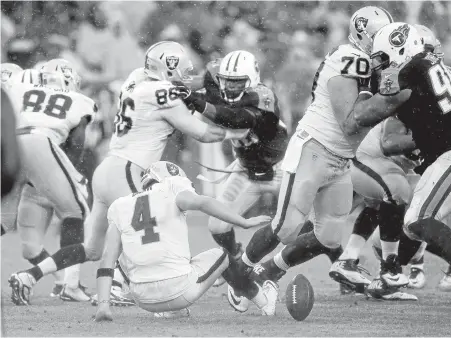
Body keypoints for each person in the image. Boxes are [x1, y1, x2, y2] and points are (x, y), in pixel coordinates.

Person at [8, 41, 250, 306]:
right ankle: (117, 286)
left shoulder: (136, 80)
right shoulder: (162, 93)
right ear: (167, 69)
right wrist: (239, 131)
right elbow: (203, 134)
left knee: (91, 248)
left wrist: (199, 86)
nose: (185, 75)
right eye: (180, 69)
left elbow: (176, 88)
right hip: (128, 170)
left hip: (108, 170)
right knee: (144, 231)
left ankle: (29, 276)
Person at [225, 7, 411, 313]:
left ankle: (269, 271)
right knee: (286, 226)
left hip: (340, 158)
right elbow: (350, 122)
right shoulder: (350, 58)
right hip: (315, 148)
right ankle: (239, 272)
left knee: (328, 235)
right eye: (382, 38)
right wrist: (397, 96)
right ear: (367, 36)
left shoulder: (371, 64)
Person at [94, 161, 275, 321]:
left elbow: (107, 260)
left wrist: (103, 306)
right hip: (179, 291)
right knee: (224, 256)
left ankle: (171, 312)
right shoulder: (171, 186)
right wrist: (242, 221)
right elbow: (202, 203)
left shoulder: (120, 205)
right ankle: (263, 300)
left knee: (125, 253)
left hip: (142, 299)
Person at [174, 50, 289, 291]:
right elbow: (197, 83)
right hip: (245, 169)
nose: (230, 87)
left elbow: (234, 118)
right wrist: (180, 84)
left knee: (298, 224)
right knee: (217, 226)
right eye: (227, 81)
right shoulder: (219, 83)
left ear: (251, 79)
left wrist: (198, 101)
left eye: (237, 83)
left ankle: (342, 259)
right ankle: (235, 259)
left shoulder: (262, 96)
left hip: (279, 169)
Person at [368, 22, 451, 297]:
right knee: (415, 225)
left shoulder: (410, 69)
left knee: (418, 220)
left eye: (382, 58)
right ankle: (390, 274)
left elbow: (378, 100)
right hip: (442, 154)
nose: (380, 65)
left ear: (400, 48)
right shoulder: (431, 68)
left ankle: (391, 272)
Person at [6, 59, 95, 303]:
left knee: (4, 222)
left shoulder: (20, 88)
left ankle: (62, 283)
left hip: (12, 145)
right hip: (40, 144)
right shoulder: (80, 101)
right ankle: (71, 285)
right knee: (75, 212)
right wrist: (65, 176)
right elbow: (76, 146)